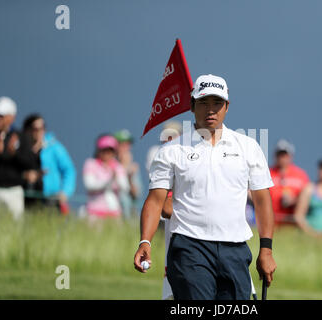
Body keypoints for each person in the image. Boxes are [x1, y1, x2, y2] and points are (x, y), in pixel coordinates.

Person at [134, 74, 277, 300]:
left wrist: (266, 250)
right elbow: (155, 201)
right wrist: (145, 241)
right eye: (203, 103)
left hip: (235, 248)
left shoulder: (249, 147)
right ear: (192, 106)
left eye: (217, 103)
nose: (211, 109)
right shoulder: (172, 150)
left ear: (227, 106)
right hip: (189, 247)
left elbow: (262, 201)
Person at [0, 97, 36, 219]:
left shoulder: (20, 137)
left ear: (11, 117)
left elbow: (30, 163)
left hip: (13, 191)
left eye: (1, 116)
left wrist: (15, 154)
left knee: (14, 229)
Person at [22, 114, 76, 213]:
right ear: (27, 130)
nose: (39, 132)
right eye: (35, 129)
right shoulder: (21, 149)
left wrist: (65, 192)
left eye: (42, 128)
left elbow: (69, 169)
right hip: (26, 198)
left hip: (51, 198)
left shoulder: (54, 147)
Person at [83, 134, 129, 220]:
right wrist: (110, 180)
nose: (107, 153)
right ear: (99, 150)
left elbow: (125, 187)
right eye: (104, 150)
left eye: (110, 150)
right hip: (94, 212)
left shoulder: (118, 167)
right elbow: (89, 185)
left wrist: (117, 178)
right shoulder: (91, 164)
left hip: (114, 212)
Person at [269, 139, 309, 225]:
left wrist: (294, 200)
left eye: (284, 155)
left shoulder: (300, 175)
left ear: (291, 156)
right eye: (279, 155)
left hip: (293, 223)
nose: (282, 158)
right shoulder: (267, 173)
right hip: (272, 222)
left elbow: (308, 197)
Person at [113, 129, 144, 220]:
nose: (126, 147)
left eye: (128, 144)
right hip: (113, 214)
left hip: (130, 215)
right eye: (122, 144)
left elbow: (136, 194)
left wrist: (129, 176)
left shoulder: (133, 168)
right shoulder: (109, 166)